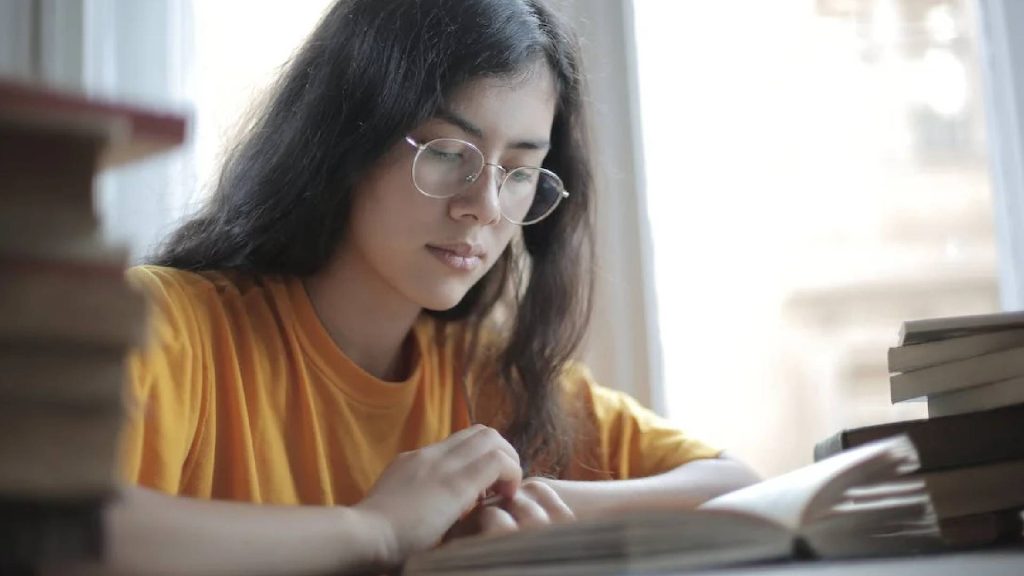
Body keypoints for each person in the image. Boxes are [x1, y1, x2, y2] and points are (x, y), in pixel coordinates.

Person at [70, 0, 759, 574]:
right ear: (346, 138)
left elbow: (739, 487)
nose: (484, 206)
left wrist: (551, 504)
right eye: (449, 153)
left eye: (520, 171)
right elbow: (56, 533)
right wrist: (373, 528)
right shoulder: (166, 325)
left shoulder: (496, 378)